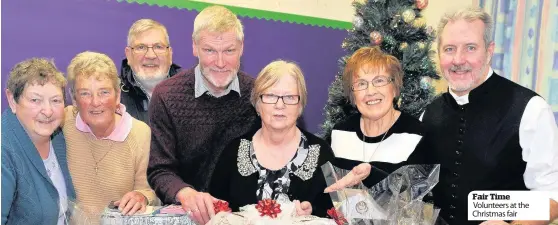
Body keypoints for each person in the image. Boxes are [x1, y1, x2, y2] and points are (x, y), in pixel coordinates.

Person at [147, 5, 371, 224]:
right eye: (209, 50)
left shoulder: (256, 90)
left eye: (229, 50)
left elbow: (334, 205)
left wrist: (313, 211)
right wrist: (186, 193)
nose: (220, 62)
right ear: (194, 47)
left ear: (241, 47)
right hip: (190, 213)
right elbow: (159, 168)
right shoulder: (167, 96)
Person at [420, 7, 558, 225]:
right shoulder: (428, 113)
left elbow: (552, 194)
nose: (458, 59)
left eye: (470, 48)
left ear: (489, 50)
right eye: (449, 49)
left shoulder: (531, 109)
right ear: (439, 54)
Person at [209, 60, 334, 217]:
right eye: (270, 96)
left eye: (289, 97)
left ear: (300, 105)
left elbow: (336, 213)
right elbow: (216, 212)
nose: (279, 105)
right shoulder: (233, 152)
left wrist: (313, 211)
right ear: (257, 103)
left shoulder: (322, 154)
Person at [64, 51, 156, 222]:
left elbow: (150, 191)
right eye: (85, 93)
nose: (95, 102)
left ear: (117, 96)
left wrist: (141, 196)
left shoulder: (140, 133)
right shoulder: (62, 124)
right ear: (74, 99)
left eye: (104, 92)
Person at [327, 46, 427, 189]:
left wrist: (371, 174)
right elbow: (330, 193)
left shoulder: (417, 134)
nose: (371, 91)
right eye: (361, 84)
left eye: (379, 81)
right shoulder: (340, 132)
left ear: (394, 87)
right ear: (353, 95)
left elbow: (416, 198)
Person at [2, 58, 76, 225]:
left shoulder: (59, 136)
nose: (48, 111)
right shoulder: (3, 149)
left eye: (56, 101)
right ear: (12, 100)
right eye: (35, 100)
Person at [120, 18, 181, 124]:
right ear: (129, 55)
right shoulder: (111, 95)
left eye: (158, 47)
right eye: (141, 47)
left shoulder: (193, 93)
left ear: (170, 54)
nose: (150, 56)